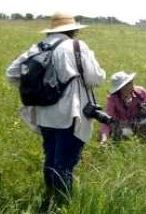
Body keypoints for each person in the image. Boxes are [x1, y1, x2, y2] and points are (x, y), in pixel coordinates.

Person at [6, 12, 106, 203]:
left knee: (51, 159)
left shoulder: (38, 47)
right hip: (70, 115)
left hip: (44, 114)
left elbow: (12, 73)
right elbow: (96, 78)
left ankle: (49, 198)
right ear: (74, 30)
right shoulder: (77, 46)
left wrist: (40, 88)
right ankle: (63, 204)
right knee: (64, 165)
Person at [100, 71, 146, 145]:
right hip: (122, 125)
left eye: (130, 82)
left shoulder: (141, 92)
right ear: (119, 89)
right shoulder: (113, 99)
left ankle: (140, 138)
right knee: (119, 132)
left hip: (139, 122)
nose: (131, 85)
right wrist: (104, 139)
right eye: (127, 84)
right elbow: (107, 120)